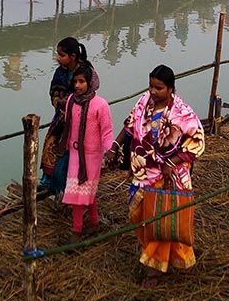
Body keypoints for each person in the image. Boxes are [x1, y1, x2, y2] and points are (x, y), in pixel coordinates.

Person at [106, 65, 205, 286]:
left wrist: (172, 162)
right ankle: (157, 256)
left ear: (171, 89)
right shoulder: (144, 102)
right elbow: (131, 124)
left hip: (167, 175)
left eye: (159, 88)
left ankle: (154, 270)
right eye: (151, 86)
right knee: (139, 216)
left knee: (158, 218)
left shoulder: (182, 113)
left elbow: (197, 143)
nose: (153, 91)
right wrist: (115, 146)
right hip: (142, 172)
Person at [60, 65, 114, 239]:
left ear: (90, 82)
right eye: (75, 81)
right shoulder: (71, 101)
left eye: (81, 81)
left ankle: (76, 231)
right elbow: (68, 126)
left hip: (92, 155)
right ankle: (95, 222)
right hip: (75, 153)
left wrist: (110, 150)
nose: (77, 85)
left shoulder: (101, 105)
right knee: (84, 191)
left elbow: (106, 131)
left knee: (79, 193)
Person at [42, 37, 99, 193]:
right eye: (58, 55)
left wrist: (72, 105)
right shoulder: (60, 72)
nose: (58, 58)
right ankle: (52, 183)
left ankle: (74, 185)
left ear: (72, 57)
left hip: (82, 117)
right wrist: (59, 103)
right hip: (61, 116)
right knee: (51, 145)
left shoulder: (85, 71)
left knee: (76, 152)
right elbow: (54, 92)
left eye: (61, 55)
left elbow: (90, 91)